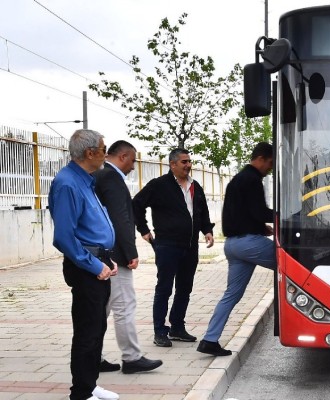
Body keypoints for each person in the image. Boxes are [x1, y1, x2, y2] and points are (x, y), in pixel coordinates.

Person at [48, 129, 119, 400]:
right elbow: (64, 238)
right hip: (85, 267)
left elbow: (90, 228)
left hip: (98, 261)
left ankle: (89, 384)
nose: (105, 152)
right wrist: (94, 265)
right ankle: (80, 393)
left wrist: (106, 259)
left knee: (97, 327)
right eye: (103, 148)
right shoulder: (67, 183)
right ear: (90, 153)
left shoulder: (84, 180)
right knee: (87, 332)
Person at [197, 142, 276, 356]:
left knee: (232, 294)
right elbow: (258, 211)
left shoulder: (237, 180)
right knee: (293, 264)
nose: (270, 167)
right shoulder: (252, 180)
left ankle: (209, 339)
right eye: (270, 162)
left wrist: (261, 227)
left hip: (233, 245)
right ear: (260, 158)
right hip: (248, 244)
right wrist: (285, 214)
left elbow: (243, 213)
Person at [132, 148, 215, 347]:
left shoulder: (195, 186)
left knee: (185, 288)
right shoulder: (159, 185)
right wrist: (143, 229)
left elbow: (201, 211)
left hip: (190, 246)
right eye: (184, 162)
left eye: (189, 161)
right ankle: (160, 331)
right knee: (164, 289)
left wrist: (207, 231)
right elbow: (136, 204)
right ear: (173, 164)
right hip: (167, 246)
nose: (188, 165)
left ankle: (177, 327)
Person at [93, 140, 163, 374]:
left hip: (99, 253)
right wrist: (130, 253)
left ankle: (93, 356)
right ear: (123, 156)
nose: (133, 166)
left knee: (101, 308)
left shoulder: (99, 175)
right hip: (114, 255)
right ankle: (131, 358)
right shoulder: (112, 179)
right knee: (124, 305)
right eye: (132, 160)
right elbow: (120, 218)